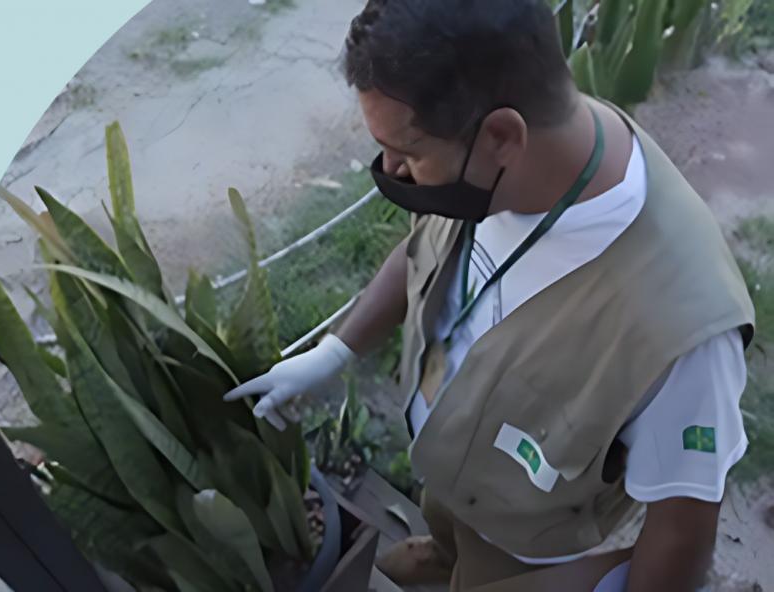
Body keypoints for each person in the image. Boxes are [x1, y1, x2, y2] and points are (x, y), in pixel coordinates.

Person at [223, 1, 755, 590]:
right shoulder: (510, 165)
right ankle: (444, 554)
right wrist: (334, 353)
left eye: (411, 151)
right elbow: (421, 252)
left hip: (527, 546)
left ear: (502, 136)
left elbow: (682, 532)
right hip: (453, 483)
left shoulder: (682, 330)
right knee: (448, 535)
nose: (392, 171)